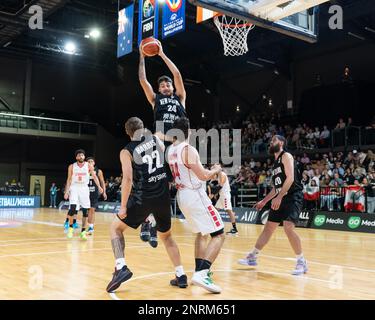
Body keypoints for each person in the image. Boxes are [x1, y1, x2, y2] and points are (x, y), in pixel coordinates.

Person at [106, 117, 187, 292]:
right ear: (143, 128)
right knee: (167, 237)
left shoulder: (126, 151)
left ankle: (120, 267)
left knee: (115, 228)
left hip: (143, 197)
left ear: (127, 133)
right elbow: (164, 147)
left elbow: (127, 179)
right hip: (163, 196)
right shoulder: (156, 140)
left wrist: (123, 206)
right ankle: (181, 275)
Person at [138, 40, 187, 246]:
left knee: (165, 189)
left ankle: (155, 224)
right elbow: (142, 80)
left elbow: (177, 75)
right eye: (163, 85)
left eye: (168, 84)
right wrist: (142, 56)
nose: (166, 86)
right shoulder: (155, 99)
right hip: (159, 143)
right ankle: (146, 222)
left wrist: (162, 54)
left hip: (176, 147)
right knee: (153, 185)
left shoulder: (181, 98)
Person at [168, 117, 225, 294]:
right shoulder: (188, 149)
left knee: (202, 233)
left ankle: (198, 271)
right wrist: (216, 169)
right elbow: (203, 176)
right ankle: (203, 273)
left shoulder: (170, 150)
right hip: (195, 195)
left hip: (182, 195)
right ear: (189, 131)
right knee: (219, 233)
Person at [238, 135, 307, 275]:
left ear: (281, 143)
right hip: (280, 197)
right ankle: (253, 256)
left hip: (293, 196)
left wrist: (280, 196)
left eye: (274, 140)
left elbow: (291, 178)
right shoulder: (275, 163)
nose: (271, 142)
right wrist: (264, 201)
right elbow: (276, 188)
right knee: (268, 228)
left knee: (288, 228)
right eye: (271, 141)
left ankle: (301, 261)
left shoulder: (286, 156)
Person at [64, 149, 103, 240]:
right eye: (79, 155)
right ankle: (70, 229)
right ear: (76, 157)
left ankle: (83, 232)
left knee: (85, 211)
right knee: (72, 209)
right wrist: (67, 191)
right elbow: (69, 179)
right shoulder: (71, 166)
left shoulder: (88, 165)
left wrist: (99, 187)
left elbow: (95, 176)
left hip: (84, 188)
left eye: (82, 155)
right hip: (74, 187)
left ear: (84, 157)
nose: (81, 156)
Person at [86, 157, 107, 235]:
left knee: (92, 210)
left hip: (94, 193)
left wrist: (104, 192)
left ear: (94, 163)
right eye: (89, 161)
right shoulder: (84, 170)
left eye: (92, 161)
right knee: (86, 211)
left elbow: (102, 181)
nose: (90, 162)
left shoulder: (99, 171)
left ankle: (91, 227)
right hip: (85, 192)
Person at [214, 168, 238, 235]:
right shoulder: (218, 175)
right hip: (222, 195)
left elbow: (220, 186)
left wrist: (214, 193)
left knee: (229, 211)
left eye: (214, 168)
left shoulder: (222, 174)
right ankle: (214, 226)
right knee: (215, 210)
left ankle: (235, 229)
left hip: (225, 195)